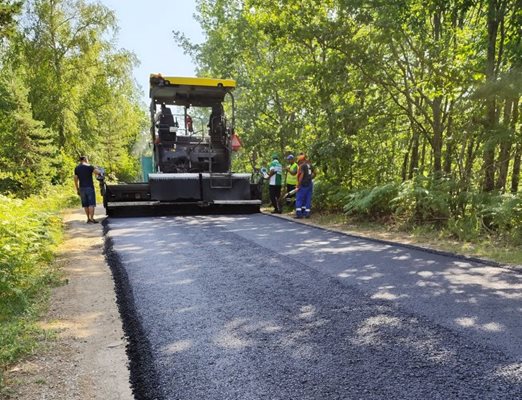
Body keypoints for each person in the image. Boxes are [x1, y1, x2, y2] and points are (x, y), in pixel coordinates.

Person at [74, 156, 100, 224]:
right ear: (85, 159)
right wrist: (96, 168)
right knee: (91, 204)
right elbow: (97, 172)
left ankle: (88, 219)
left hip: (82, 188)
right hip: (89, 187)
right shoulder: (89, 166)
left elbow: (75, 179)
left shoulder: (77, 168)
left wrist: (77, 189)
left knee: (85, 204)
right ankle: (92, 219)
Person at [295, 153, 315, 218]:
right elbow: (314, 173)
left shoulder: (302, 166)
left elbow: (301, 176)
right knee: (307, 199)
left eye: (299, 161)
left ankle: (299, 214)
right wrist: (309, 178)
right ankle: (307, 213)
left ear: (301, 160)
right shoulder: (310, 165)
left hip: (303, 185)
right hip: (309, 184)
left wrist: (298, 185)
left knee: (299, 199)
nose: (298, 163)